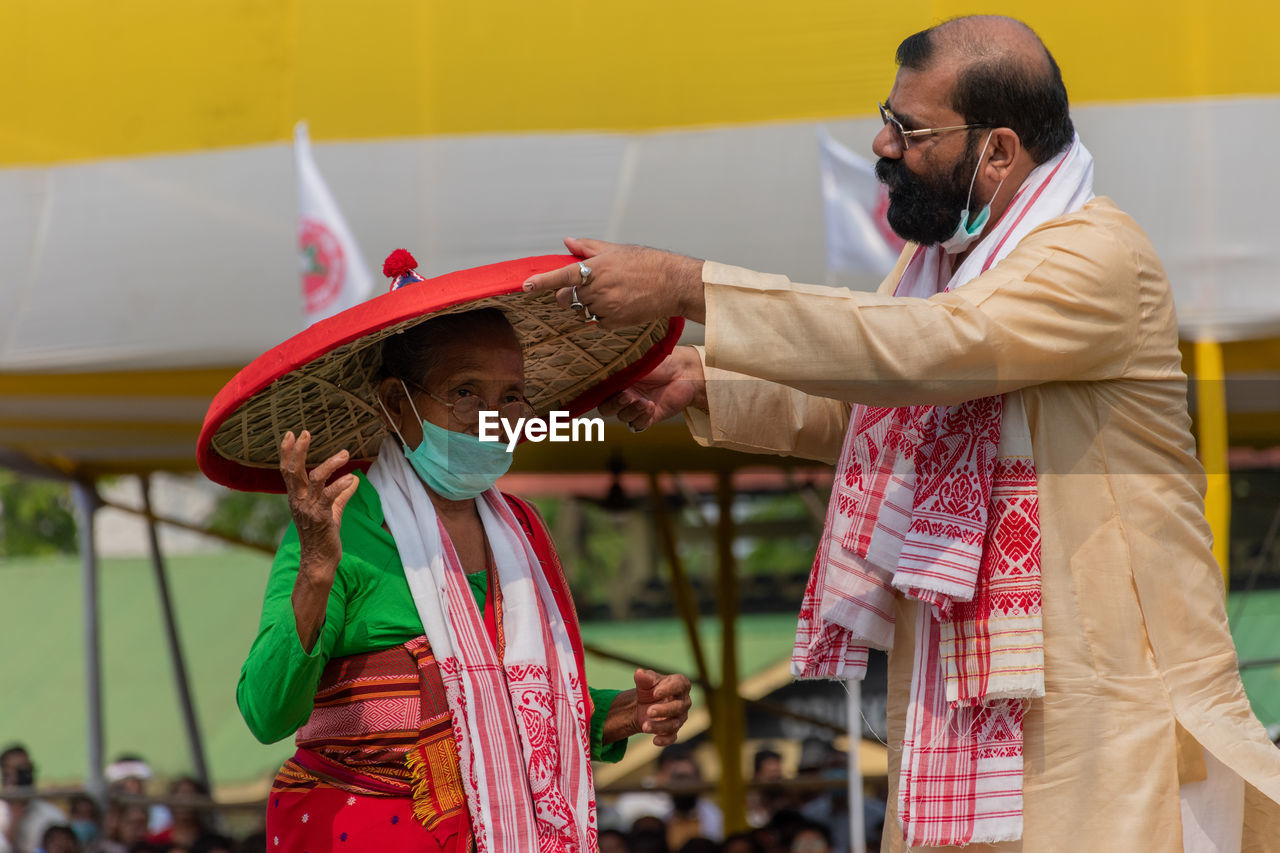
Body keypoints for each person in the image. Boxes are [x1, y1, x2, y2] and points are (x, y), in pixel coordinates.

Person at [523, 14, 1280, 851]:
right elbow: (876, 414)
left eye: (909, 128)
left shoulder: (1096, 254)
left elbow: (933, 352)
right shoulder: (941, 271)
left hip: (1106, 713)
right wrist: (705, 379)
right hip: (965, 699)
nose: (882, 143)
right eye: (887, 115)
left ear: (997, 151)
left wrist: (688, 285)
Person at [199, 251, 692, 852]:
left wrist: (627, 713)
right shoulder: (338, 527)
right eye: (464, 392)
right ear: (397, 403)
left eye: (512, 396)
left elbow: (515, 712)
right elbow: (266, 712)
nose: (493, 418)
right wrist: (317, 574)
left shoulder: (523, 533)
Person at [0, 745, 66, 853]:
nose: (24, 775)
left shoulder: (51, 815)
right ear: (5, 775)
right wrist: (15, 817)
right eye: (17, 771)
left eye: (26, 769)